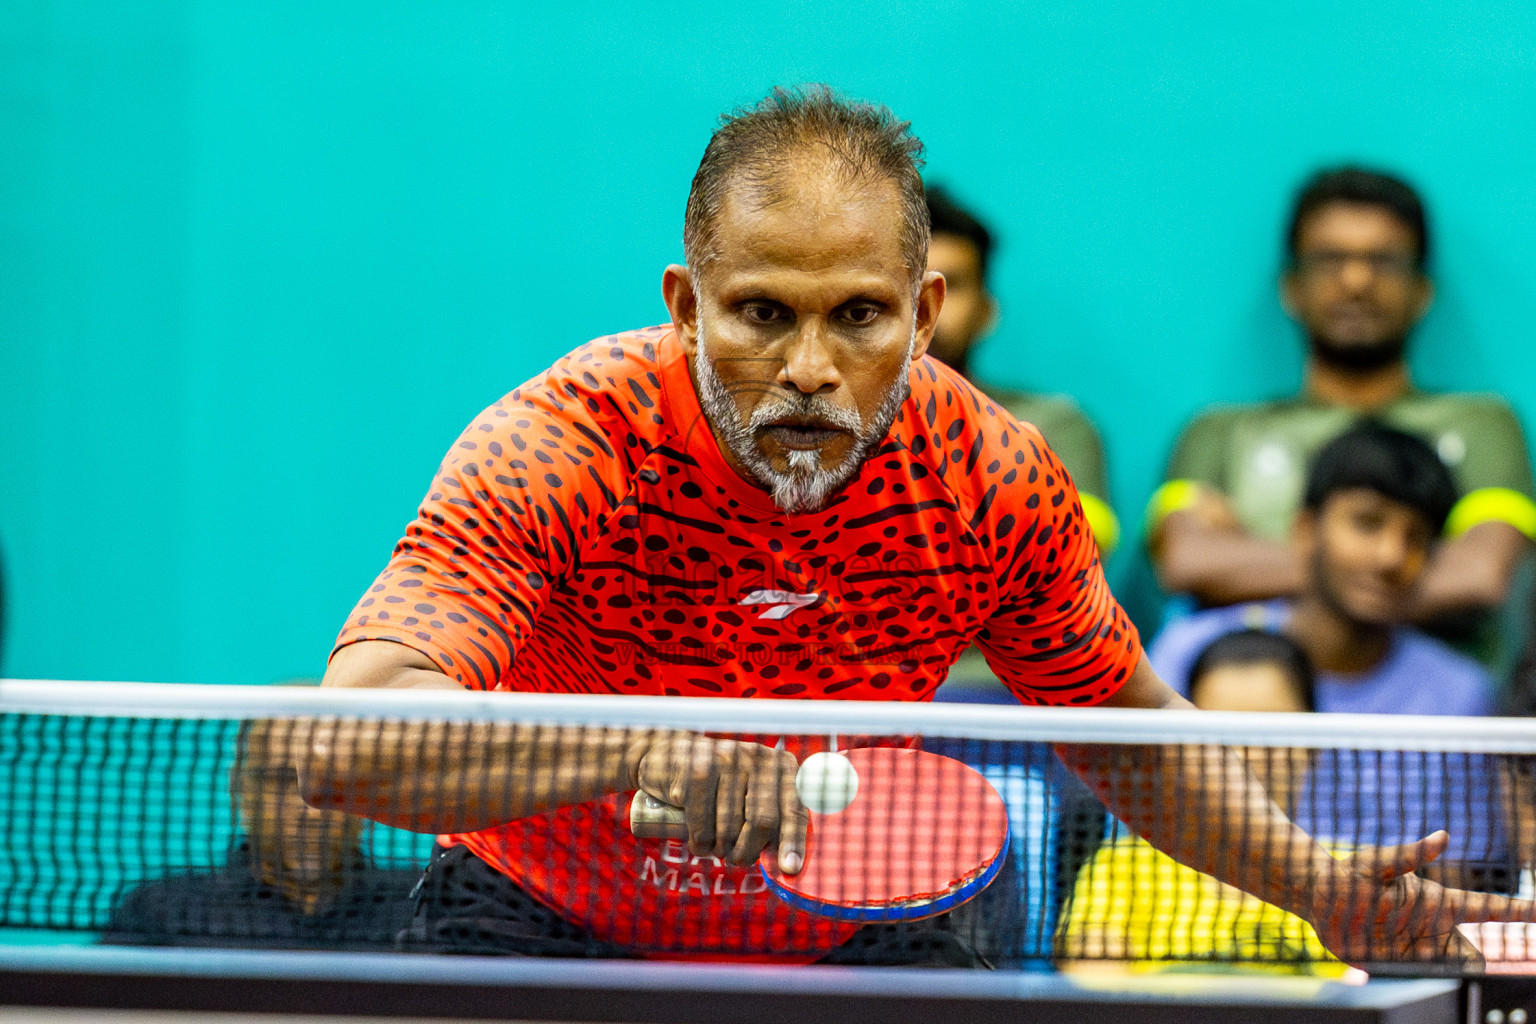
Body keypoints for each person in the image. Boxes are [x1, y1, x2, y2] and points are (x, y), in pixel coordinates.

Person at [298, 86, 1530, 967]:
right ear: (684, 307)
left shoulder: (991, 481)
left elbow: (1121, 731)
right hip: (543, 912)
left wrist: (1317, 884)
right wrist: (633, 748)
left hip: (866, 924)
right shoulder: (566, 445)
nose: (811, 369)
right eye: (761, 313)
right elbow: (351, 738)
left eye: (861, 316)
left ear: (928, 312)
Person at [1149, 167, 1535, 670]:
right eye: (1330, 260)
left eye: (1384, 261)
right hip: (1252, 718)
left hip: (1441, 724)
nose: (1356, 281)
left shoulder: (1482, 424)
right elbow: (1189, 562)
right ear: (1291, 287)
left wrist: (1253, 561)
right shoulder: (1222, 432)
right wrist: (1405, 572)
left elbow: (1480, 574)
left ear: (1422, 291)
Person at [1148, 423, 1508, 886]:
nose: (1390, 555)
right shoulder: (1188, 652)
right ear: (1305, 529)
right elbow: (1136, 833)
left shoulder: (1462, 697)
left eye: (1416, 538)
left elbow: (1459, 877)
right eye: (1367, 522)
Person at [1058, 629, 1343, 974]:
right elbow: (1092, 987)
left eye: (1267, 731)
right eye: (1223, 734)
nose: (1245, 755)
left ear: (1313, 741)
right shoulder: (1124, 867)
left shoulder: (1347, 878)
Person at [102, 716, 420, 949]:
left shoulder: (426, 907)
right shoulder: (161, 915)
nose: (310, 811)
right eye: (282, 782)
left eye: (333, 784)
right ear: (240, 787)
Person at [924, 185, 1118, 555]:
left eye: (949, 286)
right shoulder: (831, 427)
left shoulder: (1051, 427)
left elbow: (1070, 554)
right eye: (905, 284)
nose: (925, 308)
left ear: (987, 312)